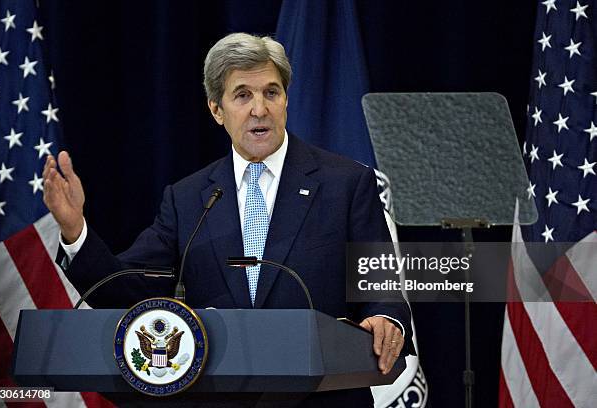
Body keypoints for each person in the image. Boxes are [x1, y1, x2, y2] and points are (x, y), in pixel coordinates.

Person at [43, 33, 413, 406]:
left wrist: (387, 319)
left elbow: (382, 289)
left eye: (271, 92)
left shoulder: (346, 184)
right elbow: (125, 288)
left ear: (286, 100)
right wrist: (75, 230)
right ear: (217, 110)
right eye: (242, 95)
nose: (260, 109)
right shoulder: (187, 199)